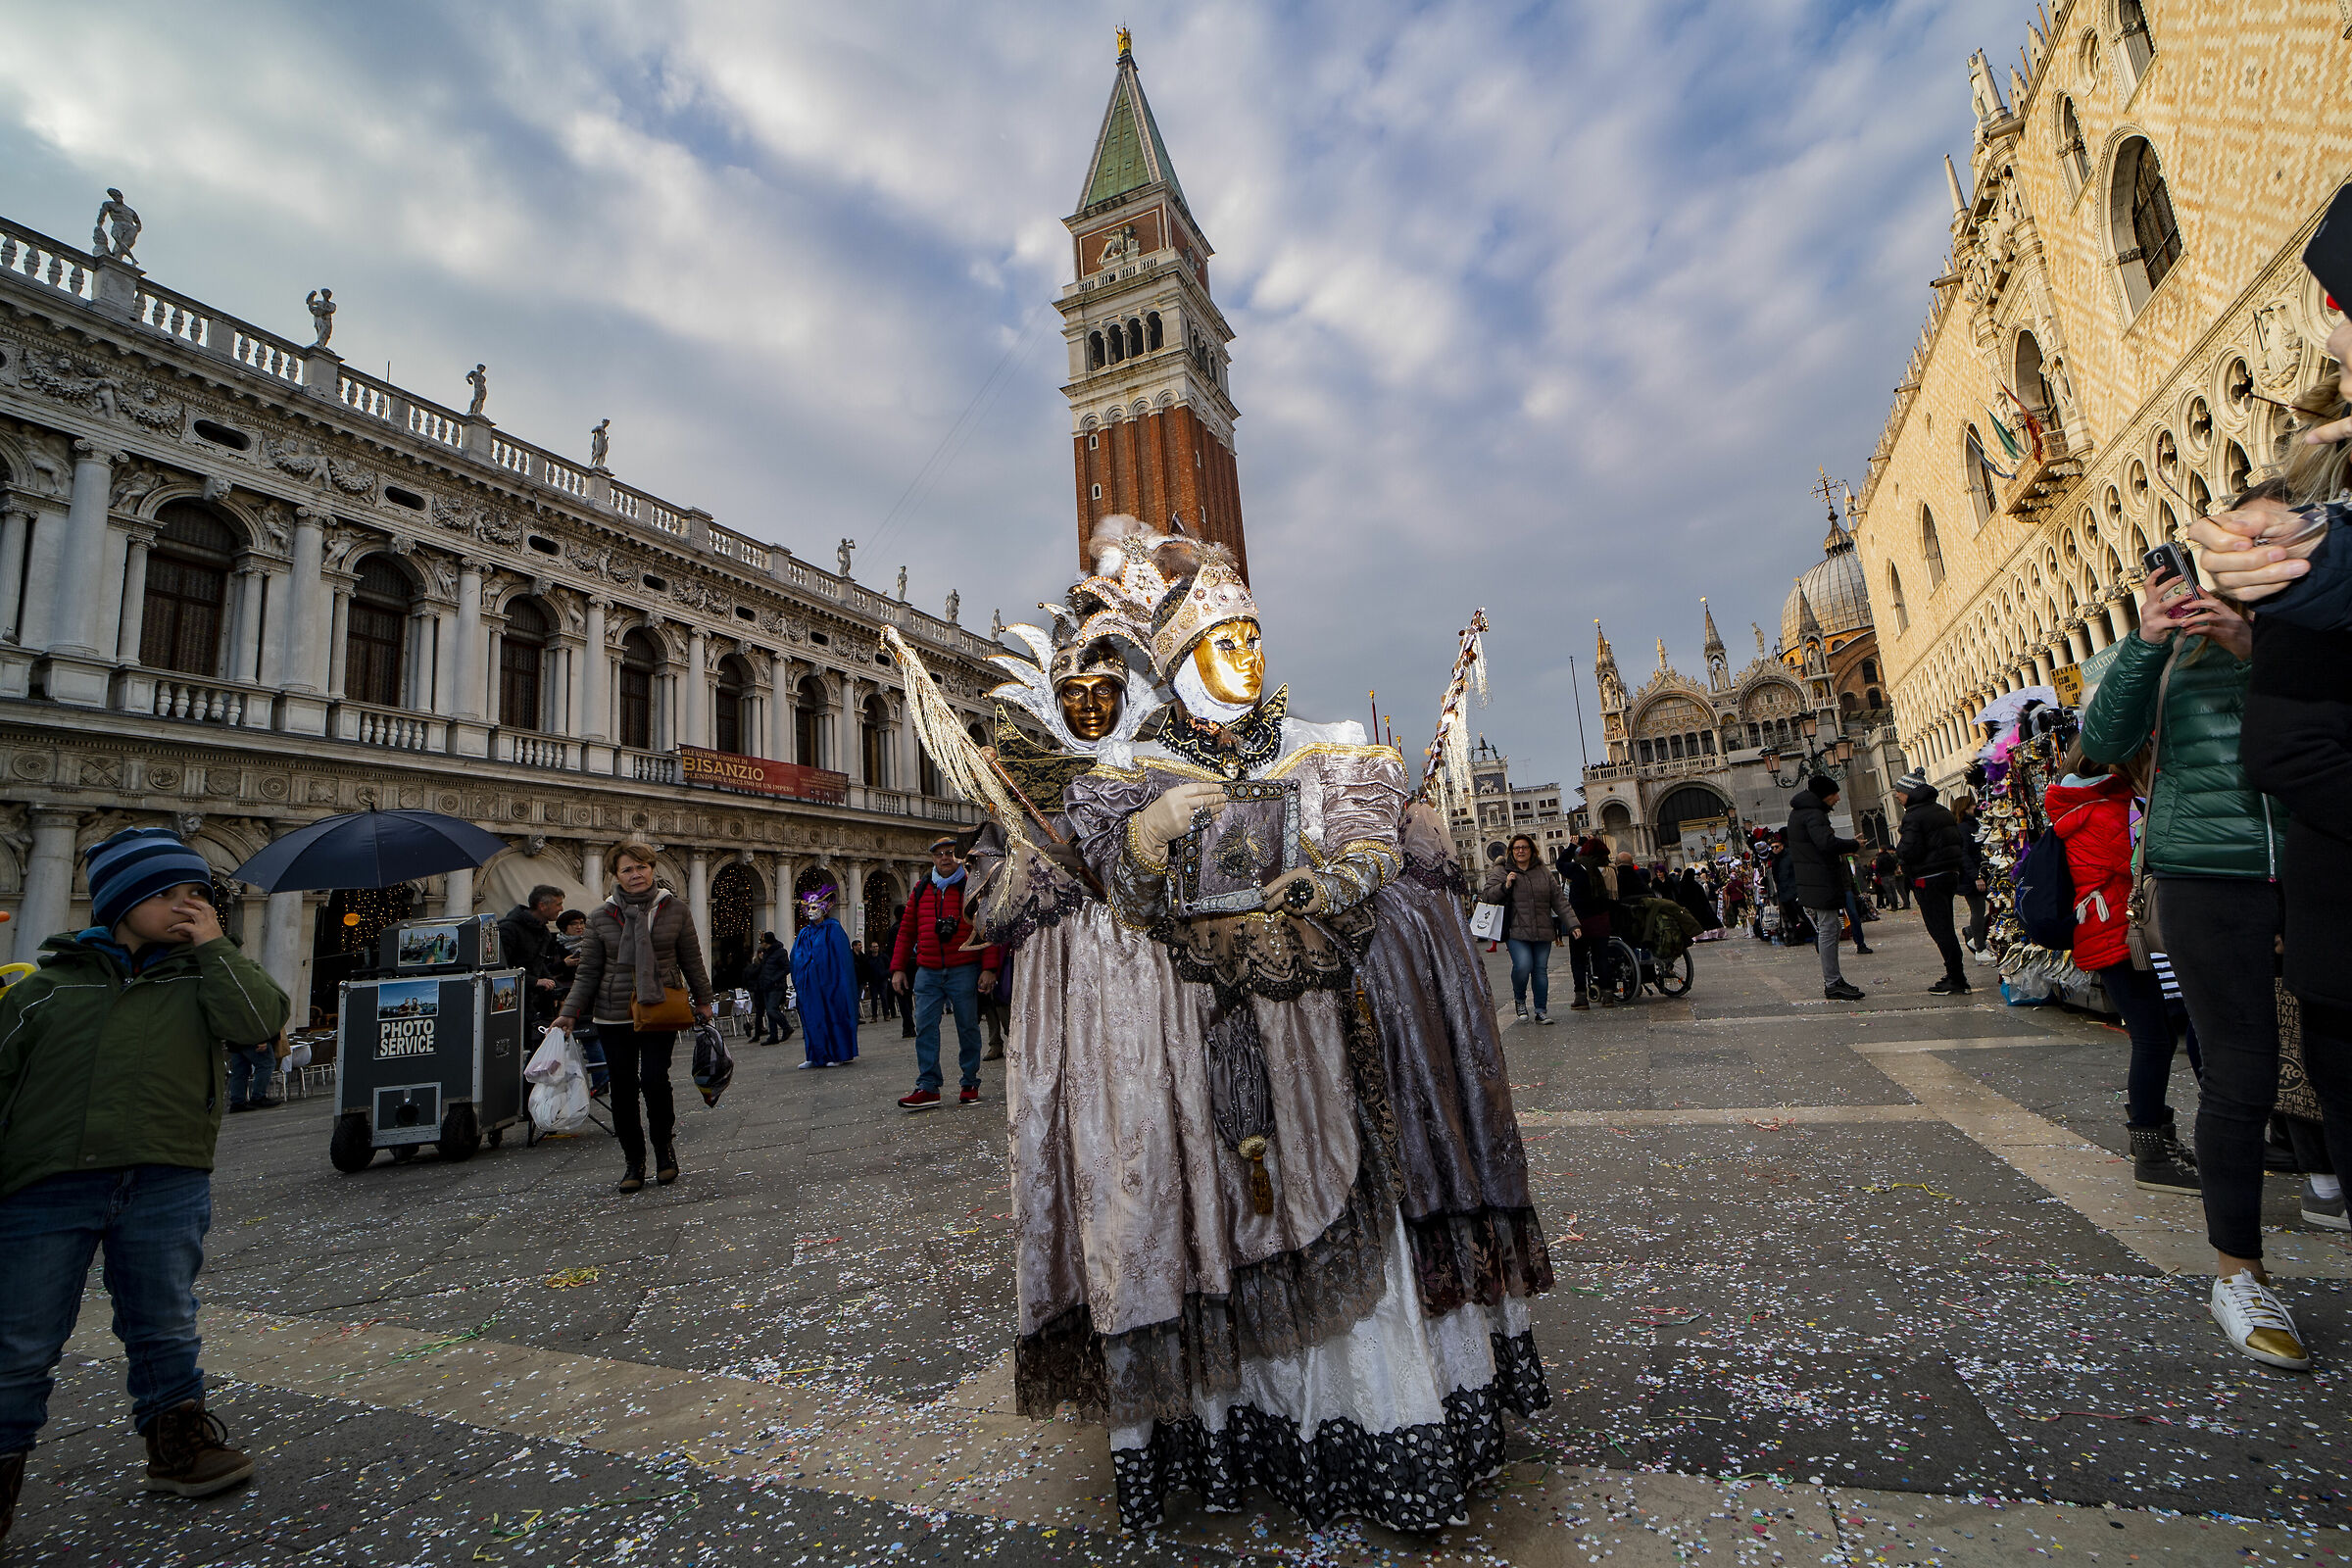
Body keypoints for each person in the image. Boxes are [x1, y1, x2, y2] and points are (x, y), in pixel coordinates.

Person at [2080, 564, 2352, 1372]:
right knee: (2240, 1074)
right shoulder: (2160, 656)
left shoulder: (2303, 637)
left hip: (2318, 862)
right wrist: (2144, 641)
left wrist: (2259, 645)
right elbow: (2103, 744)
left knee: (2343, 1070)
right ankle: (2239, 1273)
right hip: (2205, 874)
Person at [0, 826, 290, 1531]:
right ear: (120, 902)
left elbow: (259, 1021)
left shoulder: (203, 978)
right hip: (48, 1183)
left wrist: (217, 946)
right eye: (167, 893)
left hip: (165, 1174)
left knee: (164, 1322)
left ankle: (178, 1443)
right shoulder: (45, 990)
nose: (187, 905)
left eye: (197, 892)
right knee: (21, 1339)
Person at [2042, 741, 2200, 1193]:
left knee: (2157, 1034)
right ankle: (2151, 1152)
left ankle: (2155, 1140)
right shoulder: (2107, 809)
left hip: (2111, 931)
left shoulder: (2089, 803)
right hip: (2118, 935)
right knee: (2153, 1038)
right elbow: (2144, 861)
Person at [554, 844, 714, 1193]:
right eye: (627, 869)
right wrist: (569, 1012)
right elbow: (588, 971)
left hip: (658, 1007)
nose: (635, 874)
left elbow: (691, 958)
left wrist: (704, 1000)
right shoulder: (600, 917)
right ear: (616, 875)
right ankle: (634, 1160)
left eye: (641, 867)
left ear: (652, 869)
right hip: (613, 1013)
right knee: (623, 1088)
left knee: (655, 1080)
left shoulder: (675, 909)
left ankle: (664, 1151)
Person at [890, 837, 1001, 1110]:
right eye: (939, 854)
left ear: (958, 857)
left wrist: (989, 968)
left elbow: (987, 927)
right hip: (927, 970)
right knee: (925, 1027)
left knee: (968, 1027)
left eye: (950, 853)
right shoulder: (922, 889)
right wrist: (898, 968)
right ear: (933, 859)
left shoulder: (972, 887)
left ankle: (969, 1082)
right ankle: (928, 1086)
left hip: (963, 967)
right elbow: (906, 930)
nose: (945, 858)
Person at [1480, 834, 1576, 1023]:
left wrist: (1573, 923)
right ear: (1511, 851)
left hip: (1542, 929)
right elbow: (1487, 896)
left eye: (1525, 847)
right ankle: (1520, 999)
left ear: (1532, 850)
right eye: (1517, 848)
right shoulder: (1502, 871)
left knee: (1540, 970)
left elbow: (1559, 900)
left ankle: (1541, 1011)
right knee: (1523, 966)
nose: (1521, 851)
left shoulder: (1543, 872)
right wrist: (1505, 885)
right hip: (1516, 930)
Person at [1893, 770, 1974, 996]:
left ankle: (1956, 978)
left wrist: (1901, 853)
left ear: (1910, 793)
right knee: (1945, 925)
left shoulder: (1914, 816)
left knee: (1940, 929)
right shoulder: (1942, 811)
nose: (1898, 797)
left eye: (1900, 793)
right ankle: (1955, 974)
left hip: (1928, 877)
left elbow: (1909, 849)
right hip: (1948, 874)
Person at [1786, 775, 1863, 1001]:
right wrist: (1852, 844)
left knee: (1832, 927)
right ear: (1824, 795)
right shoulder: (1813, 813)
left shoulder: (1802, 812)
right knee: (1829, 928)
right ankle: (1832, 982)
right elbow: (1825, 843)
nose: (1838, 798)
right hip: (1820, 879)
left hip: (1815, 878)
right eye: (1835, 794)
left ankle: (1834, 979)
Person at [790, 888, 858, 1068]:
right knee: (813, 1018)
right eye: (808, 908)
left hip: (830, 983)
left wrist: (835, 981)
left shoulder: (833, 929)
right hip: (810, 985)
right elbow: (796, 956)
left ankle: (837, 1053)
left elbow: (840, 958)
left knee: (833, 1015)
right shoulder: (804, 933)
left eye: (815, 908)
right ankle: (814, 1055)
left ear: (824, 908)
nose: (811, 911)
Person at [497, 885, 567, 1026]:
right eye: (558, 904)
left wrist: (559, 991)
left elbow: (539, 964)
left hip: (531, 1002)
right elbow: (500, 967)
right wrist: (534, 981)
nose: (561, 909)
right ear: (542, 906)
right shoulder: (508, 929)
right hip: (509, 1002)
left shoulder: (543, 931)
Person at [1564, 837, 1615, 1007]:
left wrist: (1572, 846)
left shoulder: (1578, 868)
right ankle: (1608, 994)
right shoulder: (1610, 869)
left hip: (1580, 921)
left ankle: (1580, 997)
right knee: (1602, 957)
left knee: (1578, 959)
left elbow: (1560, 863)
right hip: (1601, 920)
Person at [1952, 794, 1993, 960]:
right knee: (1978, 910)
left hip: (1980, 874)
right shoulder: (1962, 828)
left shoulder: (1973, 825)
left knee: (1991, 907)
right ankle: (1979, 948)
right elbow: (1964, 855)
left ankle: (1975, 936)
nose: (1976, 807)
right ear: (1966, 808)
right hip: (1971, 878)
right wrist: (1976, 876)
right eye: (1973, 805)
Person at [752, 932, 794, 1045]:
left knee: (772, 1009)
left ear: (768, 942)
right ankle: (773, 1035)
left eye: (762, 941)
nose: (761, 944)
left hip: (776, 986)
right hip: (766, 986)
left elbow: (787, 968)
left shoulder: (780, 952)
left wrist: (774, 979)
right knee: (770, 1012)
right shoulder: (766, 953)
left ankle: (786, 1027)